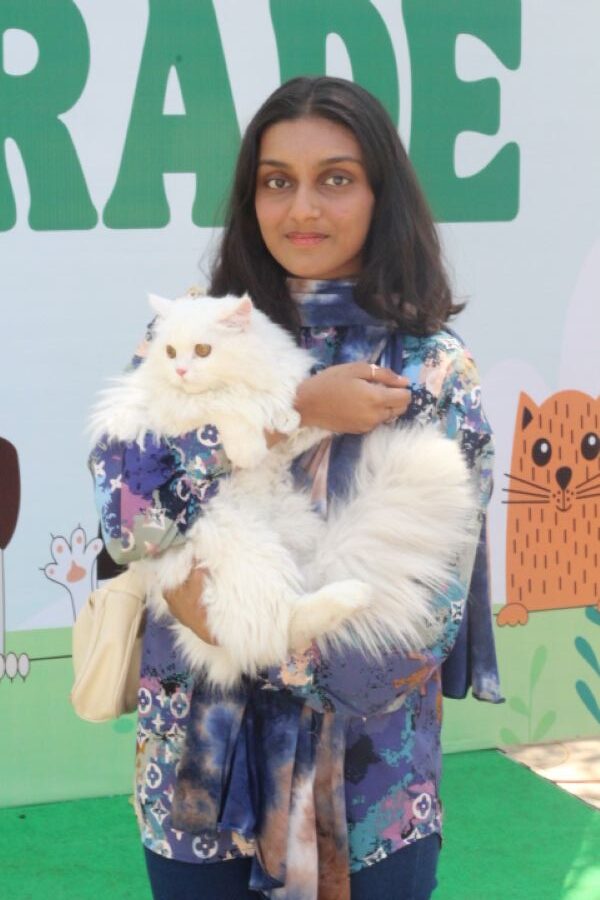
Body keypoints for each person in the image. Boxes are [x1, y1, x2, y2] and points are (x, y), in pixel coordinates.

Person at [90, 76, 497, 900]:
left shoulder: (430, 367)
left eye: (335, 179)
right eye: (277, 181)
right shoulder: (187, 333)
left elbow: (420, 624)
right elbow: (128, 523)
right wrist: (293, 414)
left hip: (367, 790)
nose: (302, 207)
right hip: (195, 775)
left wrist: (241, 632)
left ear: (381, 195)